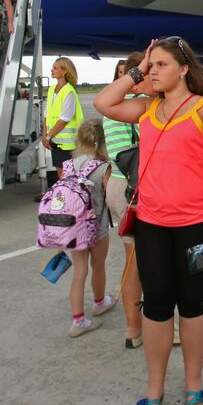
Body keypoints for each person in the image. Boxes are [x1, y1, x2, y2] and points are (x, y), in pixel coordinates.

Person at [94, 36, 203, 405]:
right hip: (152, 224)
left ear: (184, 70)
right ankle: (154, 388)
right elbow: (103, 103)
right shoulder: (146, 110)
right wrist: (137, 71)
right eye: (149, 66)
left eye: (160, 65)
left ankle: (193, 383)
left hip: (196, 225)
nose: (151, 72)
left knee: (193, 305)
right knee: (156, 308)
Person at [104, 53, 149, 349]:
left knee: (132, 260)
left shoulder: (109, 111)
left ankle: (133, 329)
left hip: (118, 186)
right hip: (140, 188)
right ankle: (162, 325)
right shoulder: (144, 107)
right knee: (153, 262)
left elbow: (112, 156)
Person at [63, 120, 117, 337]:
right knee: (99, 265)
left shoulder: (69, 165)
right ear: (102, 142)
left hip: (74, 226)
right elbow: (110, 196)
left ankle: (78, 320)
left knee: (80, 270)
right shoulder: (103, 166)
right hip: (97, 225)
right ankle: (99, 301)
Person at [42, 57, 83, 181]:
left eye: (55, 68)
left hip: (67, 145)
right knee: (61, 175)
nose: (52, 70)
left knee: (67, 176)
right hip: (56, 142)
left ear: (64, 71)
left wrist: (48, 137)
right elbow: (46, 114)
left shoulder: (69, 91)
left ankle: (68, 199)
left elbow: (65, 119)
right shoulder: (51, 90)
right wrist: (45, 135)